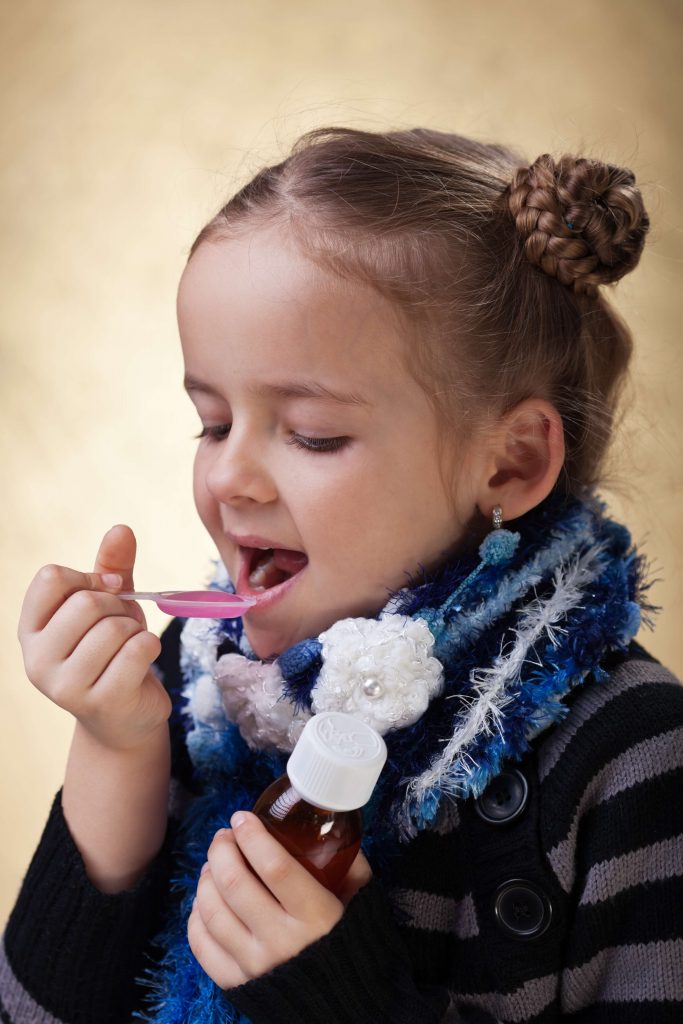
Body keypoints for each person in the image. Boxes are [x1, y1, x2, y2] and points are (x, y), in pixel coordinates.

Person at [2, 126, 682, 1024]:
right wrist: (117, 748)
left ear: (510, 465)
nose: (230, 477)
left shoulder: (628, 757)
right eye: (210, 423)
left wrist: (340, 993)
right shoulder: (197, 686)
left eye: (313, 434)